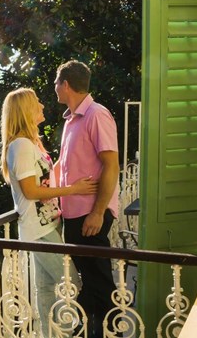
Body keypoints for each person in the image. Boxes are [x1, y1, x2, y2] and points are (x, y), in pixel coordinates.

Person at [1, 87, 95, 336]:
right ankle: (62, 333)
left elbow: (45, 178)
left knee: (46, 287)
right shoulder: (20, 145)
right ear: (25, 110)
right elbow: (31, 192)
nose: (42, 106)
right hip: (36, 228)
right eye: (37, 103)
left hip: (48, 225)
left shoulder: (31, 143)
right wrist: (72, 189)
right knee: (70, 282)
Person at [53, 60, 120, 336]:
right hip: (73, 214)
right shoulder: (71, 120)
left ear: (65, 84)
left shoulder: (96, 114)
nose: (54, 89)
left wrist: (97, 212)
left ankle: (112, 332)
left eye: (55, 84)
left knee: (100, 281)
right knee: (90, 280)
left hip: (90, 214)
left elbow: (111, 164)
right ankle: (89, 330)